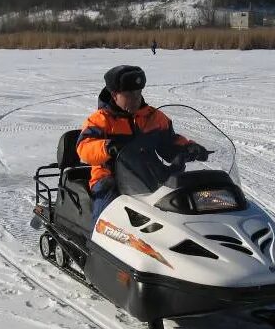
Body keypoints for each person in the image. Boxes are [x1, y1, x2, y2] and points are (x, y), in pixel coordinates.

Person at [76, 65, 208, 223]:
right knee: (108, 220)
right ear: (114, 94)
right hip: (110, 179)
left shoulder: (153, 116)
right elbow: (84, 148)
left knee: (184, 208)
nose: (136, 99)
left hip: (149, 177)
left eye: (138, 93)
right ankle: (95, 245)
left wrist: (189, 147)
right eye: (129, 94)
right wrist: (107, 147)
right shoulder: (100, 120)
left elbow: (169, 142)